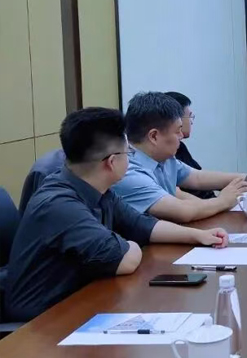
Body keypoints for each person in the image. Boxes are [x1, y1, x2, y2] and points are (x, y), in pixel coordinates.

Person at [2, 108, 230, 322]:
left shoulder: (98, 189)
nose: (130, 158)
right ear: (111, 162)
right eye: (129, 152)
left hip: (81, 301)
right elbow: (125, 260)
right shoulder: (59, 205)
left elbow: (143, 225)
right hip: (43, 321)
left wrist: (198, 236)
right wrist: (130, 244)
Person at [113, 92, 247, 223]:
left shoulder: (164, 158)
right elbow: (181, 212)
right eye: (177, 130)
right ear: (154, 136)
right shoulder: (128, 171)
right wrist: (224, 200)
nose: (181, 136)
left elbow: (197, 178)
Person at [165, 91, 213, 199]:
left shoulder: (180, 147)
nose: (191, 122)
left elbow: (198, 178)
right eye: (190, 116)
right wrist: (223, 201)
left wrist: (242, 180)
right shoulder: (163, 156)